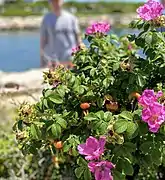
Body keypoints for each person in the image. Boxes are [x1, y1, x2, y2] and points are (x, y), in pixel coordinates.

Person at [40, 0, 81, 68]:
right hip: (53, 60)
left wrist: (80, 55)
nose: (55, 4)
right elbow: (43, 40)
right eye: (53, 1)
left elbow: (78, 38)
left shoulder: (72, 18)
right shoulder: (46, 19)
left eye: (57, 1)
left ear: (62, 1)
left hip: (70, 58)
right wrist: (42, 60)